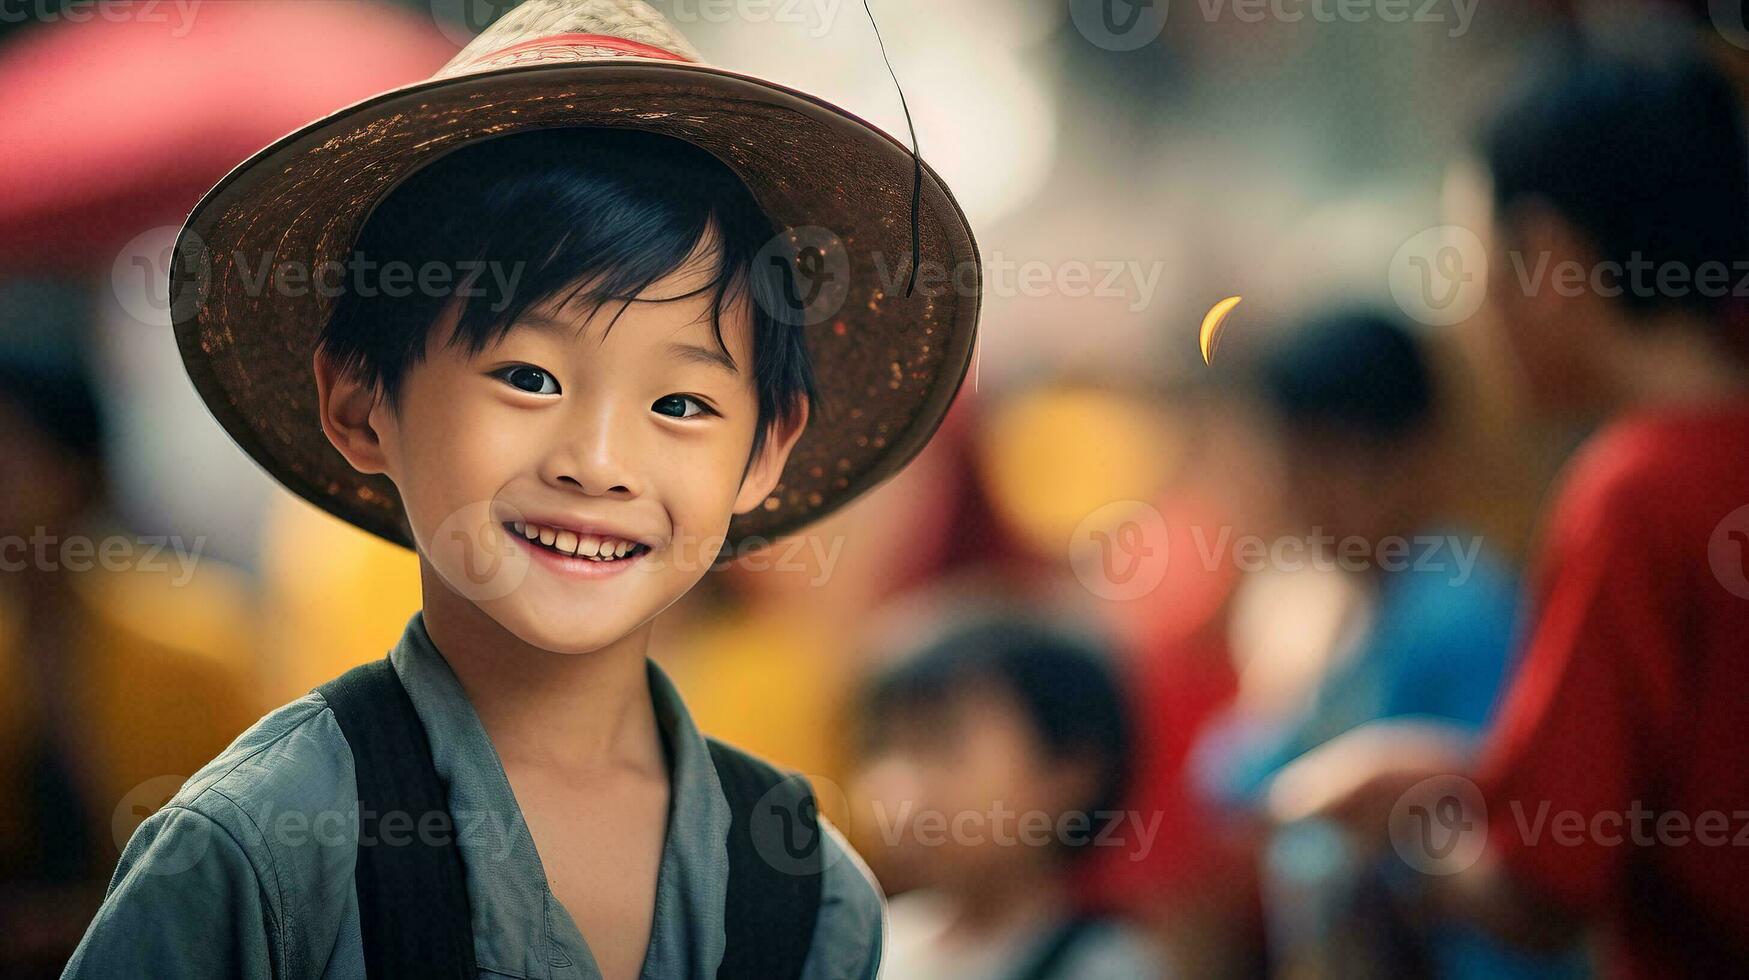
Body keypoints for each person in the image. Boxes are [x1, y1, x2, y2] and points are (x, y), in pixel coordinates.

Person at [61, 0, 982, 976]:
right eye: (528, 377)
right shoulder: (256, 856)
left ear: (766, 449)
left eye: (679, 401)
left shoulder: (809, 893)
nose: (595, 459)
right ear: (361, 401)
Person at [1288, 29, 1749, 978]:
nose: (1466, 308)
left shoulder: (1633, 489)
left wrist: (1407, 838)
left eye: (1464, 258)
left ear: (1542, 256)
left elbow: (1541, 888)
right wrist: (1467, 776)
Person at [851, 613, 1171, 980]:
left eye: (940, 745)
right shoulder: (877, 945)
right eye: (882, 747)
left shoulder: (1102, 964)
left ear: (1069, 771)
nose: (895, 785)